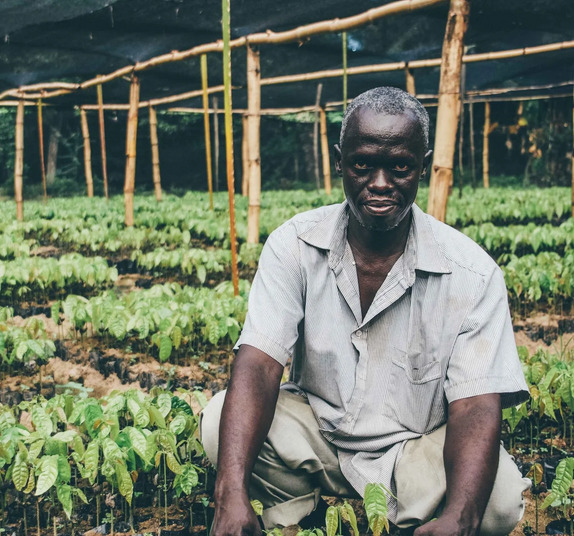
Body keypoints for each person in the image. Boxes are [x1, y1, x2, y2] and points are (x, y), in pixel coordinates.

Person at [201, 87, 530, 536]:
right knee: (220, 421)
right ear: (340, 161)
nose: (379, 183)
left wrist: (460, 516)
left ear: (422, 165)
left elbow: (475, 408)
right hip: (318, 434)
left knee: (498, 501)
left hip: (412, 452)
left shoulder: (472, 274)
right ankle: (298, 512)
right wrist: (230, 493)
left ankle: (423, 521)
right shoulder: (295, 245)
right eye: (362, 165)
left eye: (398, 167)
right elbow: (259, 363)